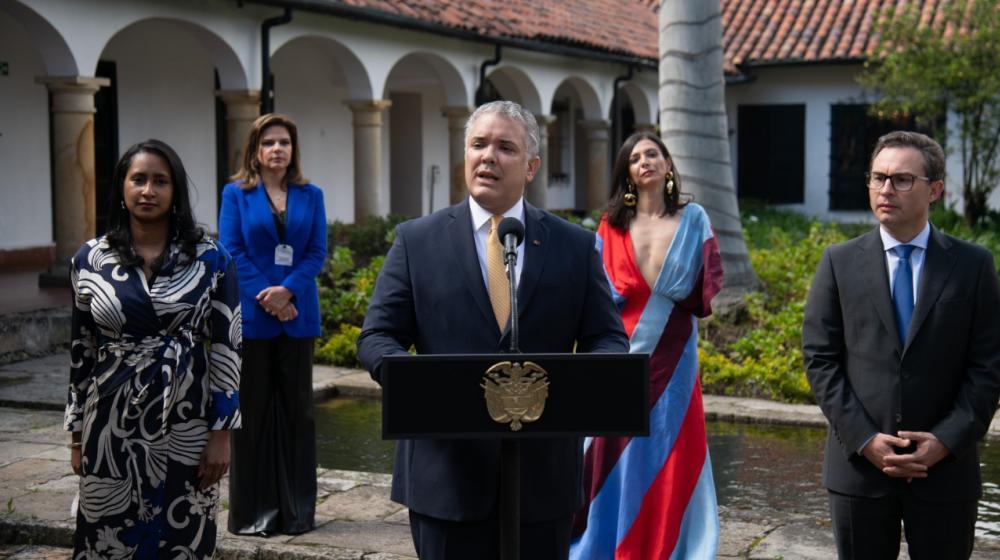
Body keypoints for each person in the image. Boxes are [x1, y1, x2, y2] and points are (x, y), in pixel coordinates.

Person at [357, 100, 628, 559]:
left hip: (542, 479)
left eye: (506, 147)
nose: (488, 156)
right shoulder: (416, 241)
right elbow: (377, 337)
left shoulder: (575, 247)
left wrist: (579, 384)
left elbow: (608, 338)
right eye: (478, 144)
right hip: (445, 475)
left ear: (531, 166)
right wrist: (421, 384)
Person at [803, 130, 1000, 558]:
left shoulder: (973, 266)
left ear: (935, 191)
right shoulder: (838, 263)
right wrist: (864, 438)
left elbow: (988, 367)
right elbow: (820, 360)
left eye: (902, 179)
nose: (886, 189)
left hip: (946, 473)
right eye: (878, 178)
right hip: (859, 469)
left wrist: (944, 441)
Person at [66, 139, 241, 559]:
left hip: (185, 418)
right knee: (108, 532)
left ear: (175, 191)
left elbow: (227, 347)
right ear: (122, 189)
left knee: (182, 533)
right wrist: (75, 435)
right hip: (109, 422)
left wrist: (222, 433)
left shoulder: (211, 259)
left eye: (160, 181)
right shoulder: (90, 259)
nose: (148, 190)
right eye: (138, 179)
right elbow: (81, 351)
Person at [570, 131, 723, 558]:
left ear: (668, 165)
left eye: (653, 153)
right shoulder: (610, 226)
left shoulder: (695, 219)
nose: (645, 162)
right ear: (628, 173)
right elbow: (593, 295)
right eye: (635, 158)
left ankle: (668, 545)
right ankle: (603, 542)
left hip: (674, 358)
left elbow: (708, 285)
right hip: (618, 354)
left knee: (670, 446)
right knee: (608, 450)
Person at [219, 113, 327, 536]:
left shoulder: (311, 194)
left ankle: (297, 512)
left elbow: (316, 251)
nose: (277, 149)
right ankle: (251, 514)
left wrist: (289, 293)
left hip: (298, 318)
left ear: (292, 150)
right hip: (255, 317)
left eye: (284, 142)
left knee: (299, 415)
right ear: (255, 151)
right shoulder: (236, 195)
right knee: (254, 416)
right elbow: (232, 250)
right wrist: (270, 295)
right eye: (269, 143)